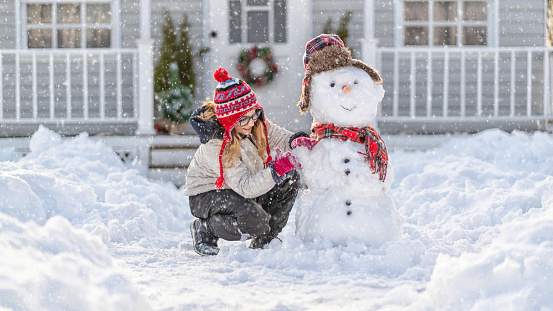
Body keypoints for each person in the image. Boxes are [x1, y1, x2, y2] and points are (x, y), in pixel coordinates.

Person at [183, 68, 309, 256]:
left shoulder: (253, 122)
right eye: (245, 119)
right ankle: (205, 229)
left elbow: (276, 135)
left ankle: (266, 236)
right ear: (230, 121)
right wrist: (277, 168)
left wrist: (294, 141)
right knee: (254, 220)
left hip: (237, 186)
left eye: (254, 114)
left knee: (289, 177)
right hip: (208, 194)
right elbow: (245, 186)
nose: (252, 122)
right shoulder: (216, 144)